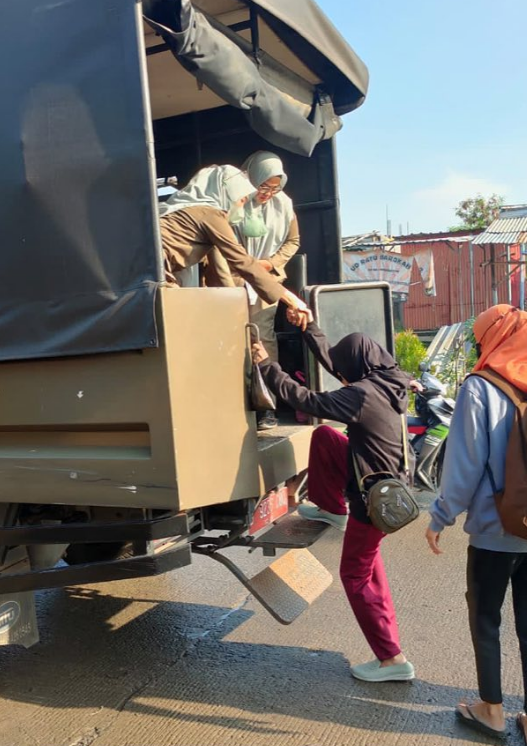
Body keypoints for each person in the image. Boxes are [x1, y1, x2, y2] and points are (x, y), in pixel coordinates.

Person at [425, 305, 527, 746]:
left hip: (495, 532)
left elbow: (464, 466)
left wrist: (440, 516)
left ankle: (490, 710)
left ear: (493, 338)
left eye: (481, 335)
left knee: (486, 619)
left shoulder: (479, 387)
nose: (478, 342)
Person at [252, 318, 415, 682]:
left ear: (356, 367)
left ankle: (391, 659)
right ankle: (330, 509)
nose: (341, 374)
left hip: (373, 500)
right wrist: (309, 326)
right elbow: (337, 365)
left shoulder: (361, 395)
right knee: (327, 437)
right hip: (383, 479)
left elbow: (306, 400)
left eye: (345, 369)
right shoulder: (389, 380)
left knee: (355, 575)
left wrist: (266, 365)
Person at [213, 151, 300, 430]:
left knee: (264, 341)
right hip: (231, 280)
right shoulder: (232, 200)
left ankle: (267, 407)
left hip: (265, 282)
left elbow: (293, 241)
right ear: (252, 179)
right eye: (264, 186)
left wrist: (270, 264)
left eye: (275, 188)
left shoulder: (284, 205)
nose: (268, 193)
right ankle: (232, 406)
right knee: (231, 342)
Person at [158, 165, 310, 321]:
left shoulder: (185, 211)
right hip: (153, 271)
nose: (243, 204)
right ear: (226, 194)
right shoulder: (211, 215)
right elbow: (243, 262)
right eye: (241, 199)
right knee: (181, 323)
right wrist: (293, 300)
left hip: (147, 271)